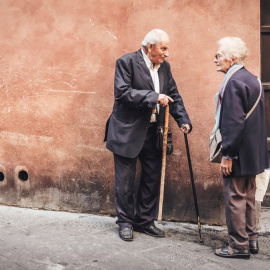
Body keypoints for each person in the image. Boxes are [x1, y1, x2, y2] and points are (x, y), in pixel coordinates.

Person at [104, 29, 192, 241]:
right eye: (164, 48)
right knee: (124, 181)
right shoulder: (126, 62)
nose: (167, 53)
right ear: (150, 46)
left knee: (152, 178)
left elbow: (174, 96)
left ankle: (144, 221)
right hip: (127, 131)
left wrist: (183, 120)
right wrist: (154, 97)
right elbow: (123, 93)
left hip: (153, 132)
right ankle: (125, 222)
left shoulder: (165, 67)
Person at [212, 37, 269, 259]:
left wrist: (228, 154)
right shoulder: (252, 78)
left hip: (238, 154)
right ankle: (251, 239)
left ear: (233, 58)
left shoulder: (233, 81)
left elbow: (234, 122)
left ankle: (238, 245)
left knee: (235, 197)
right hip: (253, 154)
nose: (215, 59)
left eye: (219, 55)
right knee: (248, 197)